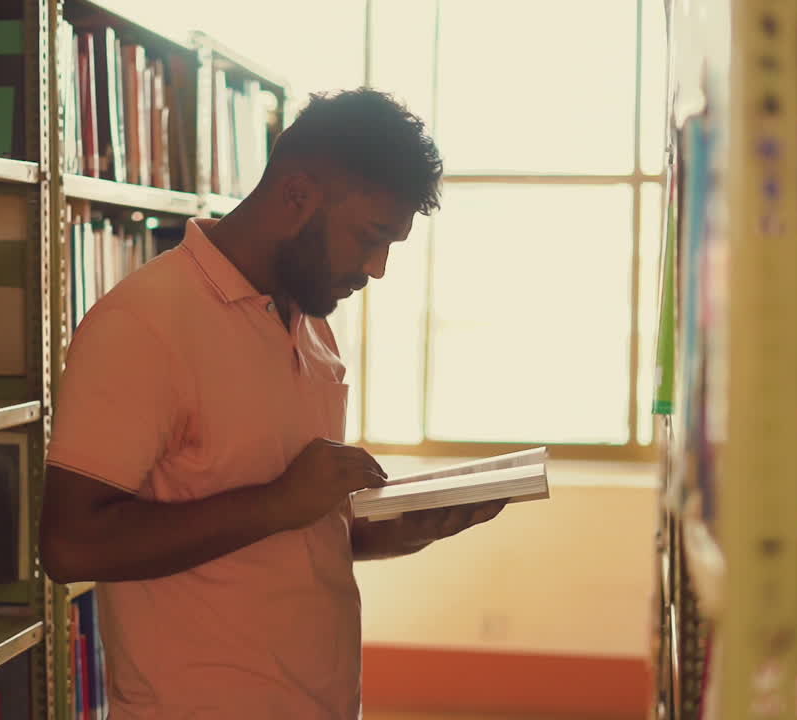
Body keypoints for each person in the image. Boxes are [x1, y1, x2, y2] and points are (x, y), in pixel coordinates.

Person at [39, 88, 508, 719]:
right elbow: (71, 545)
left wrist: (389, 531)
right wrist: (282, 502)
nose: (377, 268)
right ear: (296, 195)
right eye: (370, 236)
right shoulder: (142, 324)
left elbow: (288, 526)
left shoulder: (312, 322)